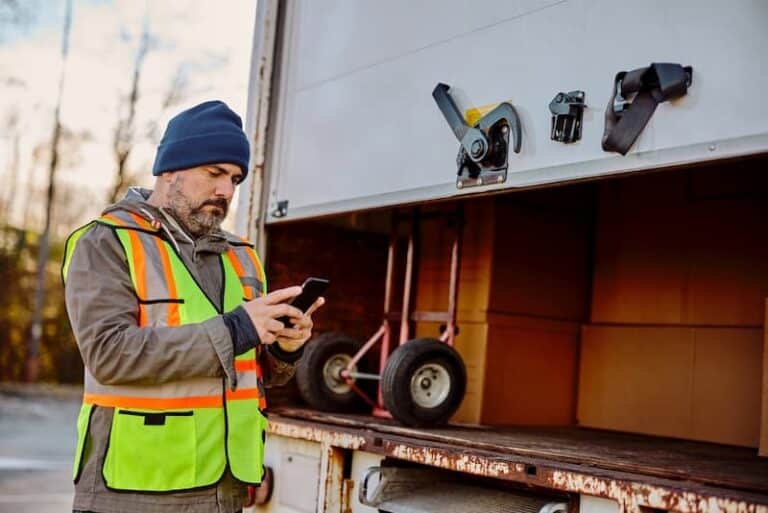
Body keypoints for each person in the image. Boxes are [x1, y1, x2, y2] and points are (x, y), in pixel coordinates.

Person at [62, 100, 323, 513]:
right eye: (214, 173)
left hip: (225, 491)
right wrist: (237, 329)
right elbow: (109, 355)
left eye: (235, 178)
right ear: (170, 170)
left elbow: (251, 373)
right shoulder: (106, 242)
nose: (226, 191)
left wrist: (284, 347)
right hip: (133, 492)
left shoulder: (242, 256)